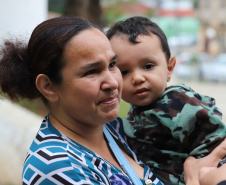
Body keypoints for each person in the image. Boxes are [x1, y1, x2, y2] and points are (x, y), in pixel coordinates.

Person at [0, 16, 163, 185]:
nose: (113, 82)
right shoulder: (59, 168)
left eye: (113, 64)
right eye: (92, 71)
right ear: (48, 86)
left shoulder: (111, 130)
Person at [106, 16, 226, 184]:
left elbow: (215, 141)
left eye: (148, 66)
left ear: (170, 68)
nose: (137, 78)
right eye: (124, 71)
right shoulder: (134, 112)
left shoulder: (179, 103)